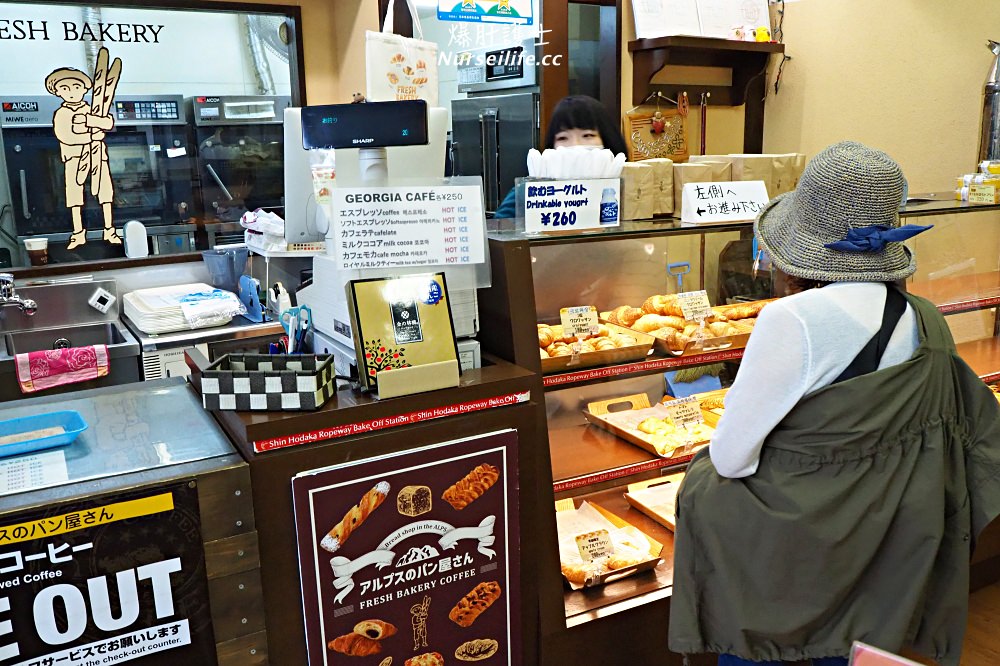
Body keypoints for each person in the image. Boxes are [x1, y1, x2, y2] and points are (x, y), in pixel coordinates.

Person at [668, 141, 1000, 666]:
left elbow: (733, 458)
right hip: (885, 564)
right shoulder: (925, 318)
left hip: (794, 568)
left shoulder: (791, 320)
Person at [493, 95, 627, 219]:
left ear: (607, 139)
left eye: (588, 135)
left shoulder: (629, 187)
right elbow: (497, 231)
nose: (576, 146)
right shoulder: (529, 190)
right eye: (563, 138)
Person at [45, 66, 121, 248]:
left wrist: (88, 121)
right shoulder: (61, 114)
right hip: (74, 158)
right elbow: (66, 136)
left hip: (97, 156)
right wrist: (92, 135)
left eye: (76, 87)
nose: (71, 92)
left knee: (105, 192)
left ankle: (109, 230)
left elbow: (108, 122)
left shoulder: (93, 109)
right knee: (74, 194)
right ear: (57, 92)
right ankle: (78, 233)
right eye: (65, 88)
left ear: (84, 89)